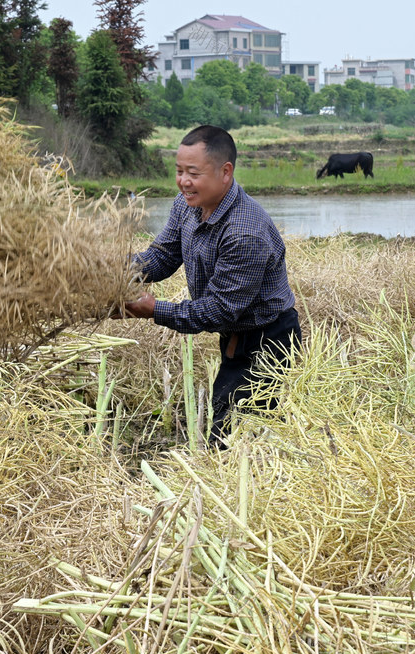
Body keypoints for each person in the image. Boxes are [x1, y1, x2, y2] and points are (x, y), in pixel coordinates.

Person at [121, 125, 301, 447]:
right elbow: (163, 255)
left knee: (237, 436)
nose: (183, 182)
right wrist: (119, 273)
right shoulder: (187, 204)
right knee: (233, 419)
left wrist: (154, 309)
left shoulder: (245, 232)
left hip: (267, 340)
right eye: (179, 172)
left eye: (193, 173)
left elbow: (218, 310)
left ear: (225, 172)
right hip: (236, 335)